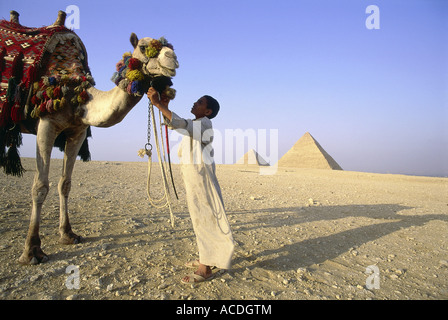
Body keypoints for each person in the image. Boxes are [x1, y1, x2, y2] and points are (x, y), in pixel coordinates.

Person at [147, 87, 234, 284]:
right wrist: (164, 108)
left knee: (206, 219)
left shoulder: (205, 125)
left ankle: (206, 268)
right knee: (198, 219)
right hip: (193, 180)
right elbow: (178, 125)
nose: (195, 103)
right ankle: (206, 257)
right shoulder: (197, 125)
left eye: (200, 102)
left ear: (208, 111)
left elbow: (182, 124)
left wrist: (159, 104)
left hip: (202, 181)